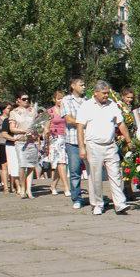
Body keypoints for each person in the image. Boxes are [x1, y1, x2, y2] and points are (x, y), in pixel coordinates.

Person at [76, 80, 132, 216]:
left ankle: (120, 204)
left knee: (115, 175)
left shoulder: (112, 105)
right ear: (95, 92)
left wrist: (129, 140)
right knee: (95, 176)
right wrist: (81, 147)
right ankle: (97, 204)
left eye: (107, 93)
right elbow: (80, 127)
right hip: (93, 145)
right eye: (104, 93)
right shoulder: (86, 106)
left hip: (110, 145)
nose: (106, 96)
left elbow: (121, 123)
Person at [61, 77, 87, 209]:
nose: (83, 87)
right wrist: (84, 121)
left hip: (88, 140)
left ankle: (96, 197)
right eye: (81, 85)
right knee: (75, 171)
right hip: (73, 140)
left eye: (84, 85)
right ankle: (76, 198)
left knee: (93, 170)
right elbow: (69, 119)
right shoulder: (66, 100)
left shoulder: (88, 100)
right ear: (73, 86)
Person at [8, 93, 40, 199]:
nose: (26, 100)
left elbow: (38, 125)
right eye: (24, 99)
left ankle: (29, 189)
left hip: (32, 141)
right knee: (22, 165)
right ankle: (22, 188)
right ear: (18, 100)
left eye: (28, 98)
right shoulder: (14, 112)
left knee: (31, 166)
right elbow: (12, 128)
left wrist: (35, 132)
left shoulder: (33, 111)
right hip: (20, 141)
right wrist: (23, 131)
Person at [44, 91, 68, 195]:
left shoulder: (66, 111)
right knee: (61, 162)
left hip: (65, 138)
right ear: (54, 99)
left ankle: (53, 185)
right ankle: (67, 187)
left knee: (61, 163)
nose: (61, 101)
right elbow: (46, 128)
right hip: (54, 138)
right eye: (59, 98)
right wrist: (46, 143)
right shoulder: (50, 111)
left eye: (62, 98)